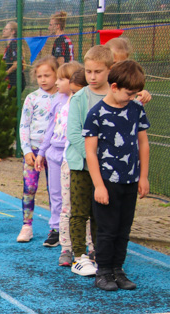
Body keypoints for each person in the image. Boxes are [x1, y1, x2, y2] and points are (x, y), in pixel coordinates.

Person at [83, 60, 150, 291]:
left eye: (134, 94)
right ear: (113, 87)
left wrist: (143, 176)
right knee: (107, 229)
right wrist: (98, 185)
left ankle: (118, 270)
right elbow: (90, 152)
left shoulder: (136, 108)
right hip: (107, 183)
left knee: (124, 229)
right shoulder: (96, 113)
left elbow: (143, 143)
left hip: (130, 180)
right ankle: (103, 271)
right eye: (129, 93)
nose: (132, 97)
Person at [66, 45, 113, 277]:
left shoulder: (116, 97)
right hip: (81, 166)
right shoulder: (78, 99)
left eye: (98, 72)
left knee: (100, 211)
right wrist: (92, 156)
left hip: (108, 168)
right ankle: (78, 256)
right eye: (89, 72)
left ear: (109, 70)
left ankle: (98, 253)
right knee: (80, 211)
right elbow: (74, 133)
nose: (92, 77)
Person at [35, 62, 84, 264]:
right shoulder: (58, 101)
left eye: (62, 79)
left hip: (70, 155)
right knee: (55, 194)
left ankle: (78, 235)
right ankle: (56, 229)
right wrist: (42, 152)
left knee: (74, 198)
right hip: (54, 153)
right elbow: (50, 129)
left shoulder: (81, 101)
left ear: (74, 81)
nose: (57, 82)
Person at [17, 56, 58, 245]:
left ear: (57, 74)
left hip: (55, 152)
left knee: (55, 190)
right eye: (39, 76)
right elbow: (24, 125)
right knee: (29, 188)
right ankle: (27, 225)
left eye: (47, 75)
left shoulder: (64, 98)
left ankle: (56, 229)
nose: (43, 79)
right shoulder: (32, 98)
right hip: (33, 151)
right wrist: (26, 150)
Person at [106, 37, 152, 104]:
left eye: (122, 63)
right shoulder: (100, 81)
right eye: (114, 63)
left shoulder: (126, 81)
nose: (118, 67)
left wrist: (140, 100)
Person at [1, 21, 26, 90]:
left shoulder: (14, 44)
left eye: (6, 29)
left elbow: (16, 64)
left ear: (13, 32)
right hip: (11, 80)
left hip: (16, 80)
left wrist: (5, 74)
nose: (3, 30)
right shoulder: (10, 45)